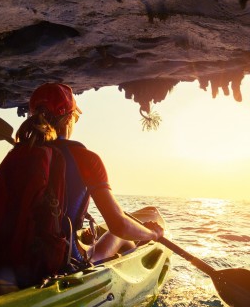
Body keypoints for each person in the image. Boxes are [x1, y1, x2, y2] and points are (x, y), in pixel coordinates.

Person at [27, 82, 164, 264]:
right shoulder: (85, 158)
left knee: (94, 242)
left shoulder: (22, 154)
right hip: (63, 261)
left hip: (13, 257)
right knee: (119, 237)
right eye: (75, 117)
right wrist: (152, 234)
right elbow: (119, 225)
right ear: (69, 119)